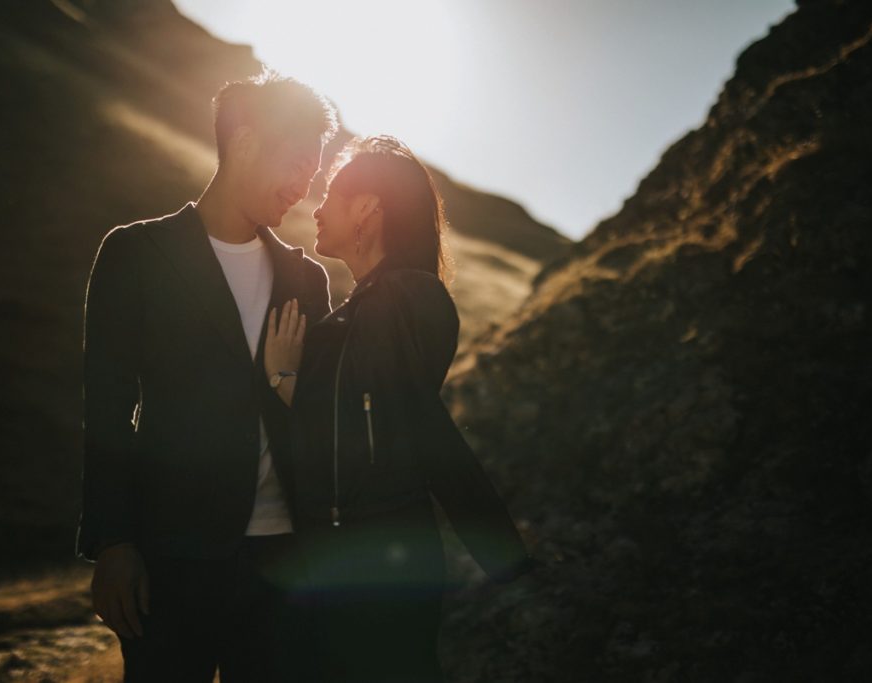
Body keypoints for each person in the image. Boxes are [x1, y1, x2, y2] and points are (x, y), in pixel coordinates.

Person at [75, 69, 337, 682]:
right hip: (172, 558)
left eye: (314, 171)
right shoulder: (136, 253)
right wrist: (113, 543)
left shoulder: (307, 279)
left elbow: (319, 412)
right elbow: (108, 407)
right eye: (297, 163)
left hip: (285, 563)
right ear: (244, 142)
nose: (304, 187)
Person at [264, 135, 537, 683]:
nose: (315, 209)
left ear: (367, 207)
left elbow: (385, 423)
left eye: (331, 195)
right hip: (356, 554)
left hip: (377, 562)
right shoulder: (375, 301)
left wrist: (284, 378)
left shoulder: (408, 297)